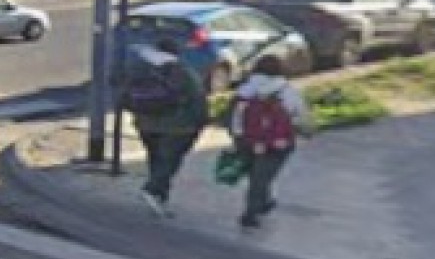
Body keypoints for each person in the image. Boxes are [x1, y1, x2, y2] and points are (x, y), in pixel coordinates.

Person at [119, 37, 210, 217]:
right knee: (169, 162)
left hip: (146, 125)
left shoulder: (143, 68)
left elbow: (124, 95)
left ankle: (159, 198)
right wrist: (201, 122)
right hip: (178, 127)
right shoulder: (184, 72)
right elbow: (198, 100)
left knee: (156, 159)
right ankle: (153, 190)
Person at [228, 55, 315, 228]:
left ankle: (263, 201)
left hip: (249, 141)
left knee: (256, 174)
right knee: (264, 174)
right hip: (279, 142)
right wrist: (306, 130)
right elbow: (301, 116)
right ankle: (252, 211)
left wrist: (238, 138)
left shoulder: (244, 90)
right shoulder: (287, 90)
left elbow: (234, 117)